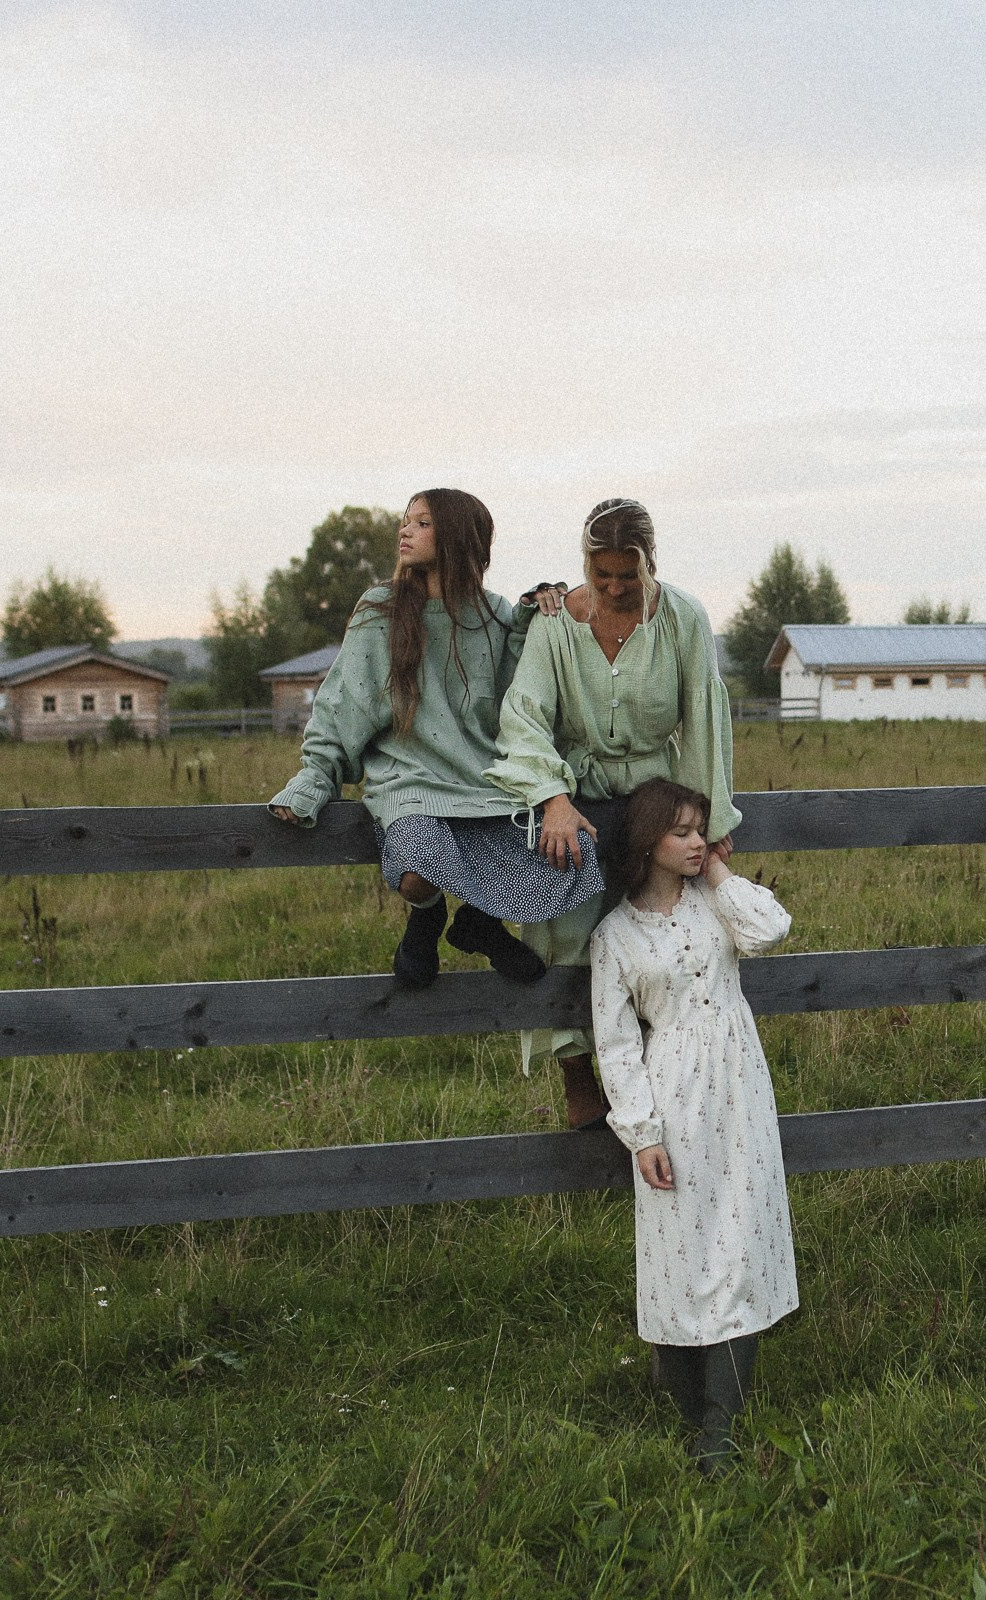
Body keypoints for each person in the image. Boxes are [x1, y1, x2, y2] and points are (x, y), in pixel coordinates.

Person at [268, 489, 602, 988]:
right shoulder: (380, 608)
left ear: (458, 537)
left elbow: (519, 703)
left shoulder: (496, 613)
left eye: (422, 523)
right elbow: (343, 702)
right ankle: (426, 918)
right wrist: (316, 778)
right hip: (409, 781)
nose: (405, 530)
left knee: (571, 853)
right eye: (407, 521)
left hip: (485, 782)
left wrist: (534, 616)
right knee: (420, 863)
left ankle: (479, 923)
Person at [487, 498, 741, 1128]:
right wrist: (552, 797)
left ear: (650, 561)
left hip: (656, 794)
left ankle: (661, 1078)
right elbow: (525, 715)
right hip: (577, 794)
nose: (616, 588)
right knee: (565, 928)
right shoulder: (555, 622)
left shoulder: (683, 618)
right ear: (585, 565)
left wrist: (707, 826)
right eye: (602, 576)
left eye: (629, 574)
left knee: (658, 931)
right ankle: (578, 1074)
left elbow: (705, 718)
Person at [588, 778, 795, 1473]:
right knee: (678, 1248)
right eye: (681, 832)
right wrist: (642, 1133)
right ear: (648, 841)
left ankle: (719, 1427)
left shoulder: (716, 904)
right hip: (673, 1094)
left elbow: (771, 929)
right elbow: (616, 1044)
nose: (697, 841)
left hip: (740, 1088)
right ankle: (684, 1402)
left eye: (700, 829)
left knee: (740, 1240)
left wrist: (719, 875)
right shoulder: (615, 937)